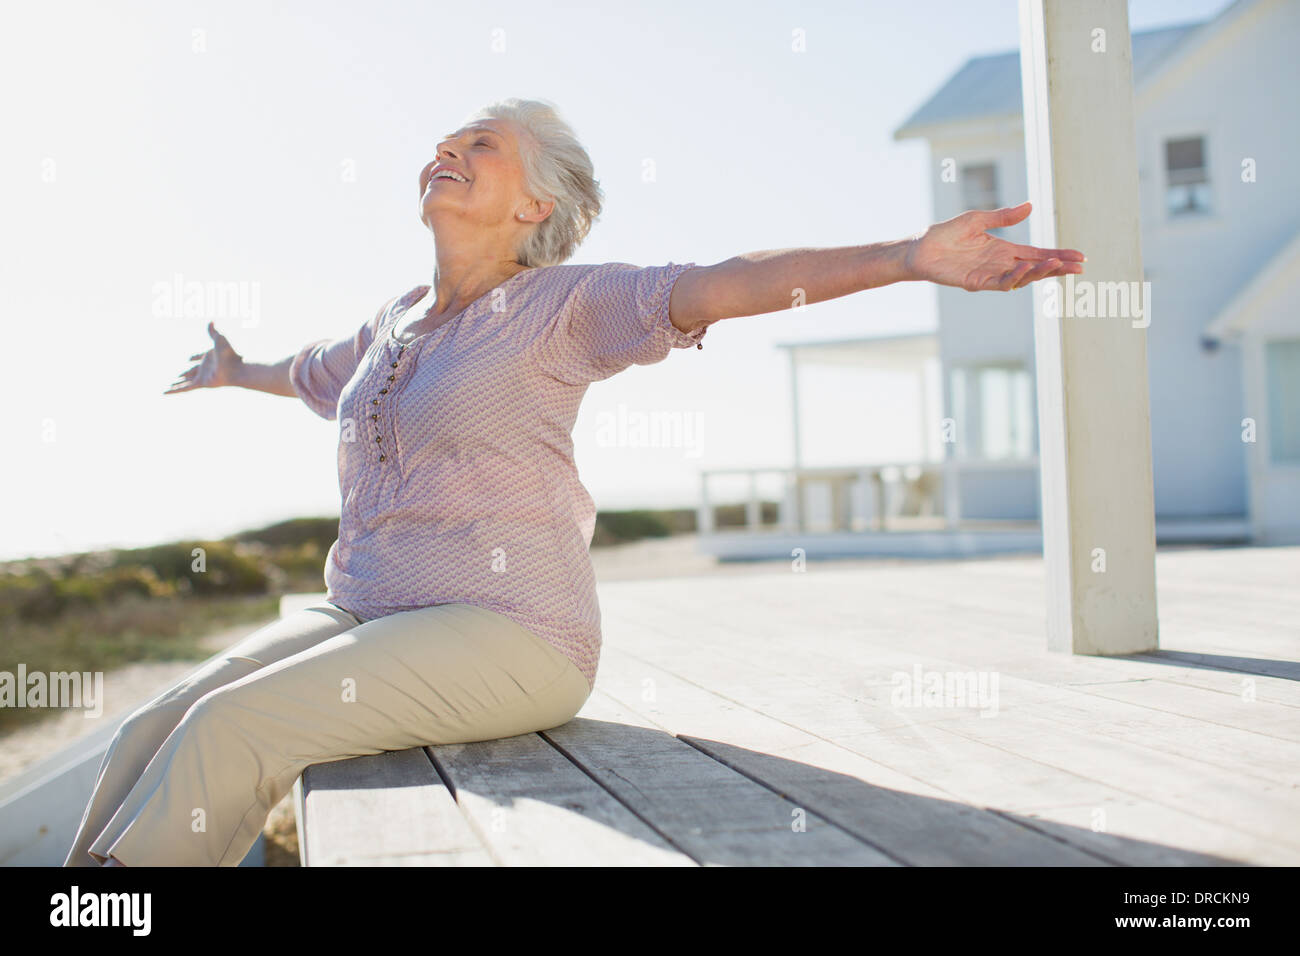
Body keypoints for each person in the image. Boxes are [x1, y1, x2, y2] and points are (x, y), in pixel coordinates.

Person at [65, 97, 1084, 867]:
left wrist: (907, 255)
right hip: (362, 609)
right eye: (446, 143)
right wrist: (233, 370)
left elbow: (727, 280)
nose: (449, 153)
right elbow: (309, 372)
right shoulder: (393, 321)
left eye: (482, 147)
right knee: (147, 723)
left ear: (535, 204)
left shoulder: (564, 306)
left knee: (229, 725)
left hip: (511, 630)